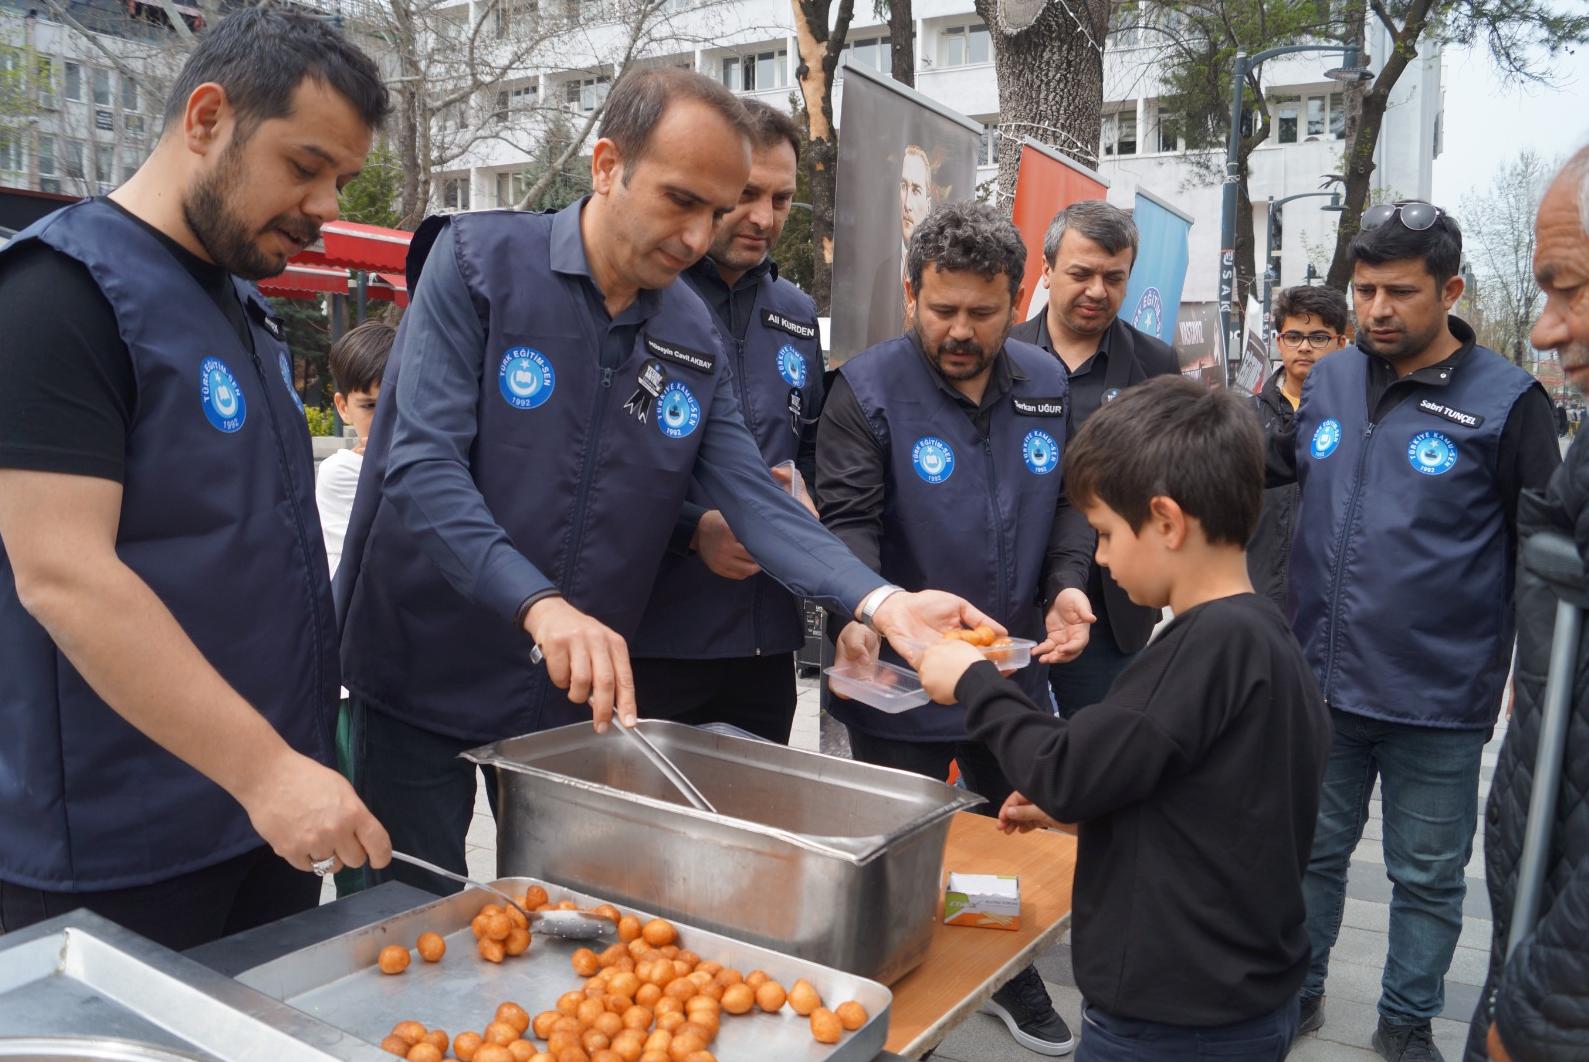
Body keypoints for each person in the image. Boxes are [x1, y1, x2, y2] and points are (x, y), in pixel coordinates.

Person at [333, 68, 995, 896]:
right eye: (680, 200)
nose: (696, 236)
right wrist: (539, 605)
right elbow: (421, 469)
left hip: (572, 699)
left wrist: (883, 604)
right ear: (607, 164)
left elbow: (755, 501)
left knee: (563, 921)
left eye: (714, 212)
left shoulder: (687, 328)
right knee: (403, 917)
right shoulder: (480, 264)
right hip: (425, 664)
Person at [0, 9, 392, 949]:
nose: (326, 206)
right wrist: (265, 770)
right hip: (116, 843)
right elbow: (63, 573)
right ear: (207, 118)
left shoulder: (241, 306)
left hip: (261, 819)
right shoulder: (59, 298)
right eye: (304, 166)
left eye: (341, 178)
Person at [913, 375, 1331, 1062]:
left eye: (1104, 533)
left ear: (1165, 521)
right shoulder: (1264, 637)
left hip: (1173, 1019)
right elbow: (1215, 808)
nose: (1100, 557)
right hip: (1243, 1000)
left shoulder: (1203, 647)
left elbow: (1065, 769)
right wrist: (1079, 816)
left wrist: (974, 683)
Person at [1270, 202, 1561, 1062]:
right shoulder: (1323, 381)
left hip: (1438, 697)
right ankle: (1300, 994)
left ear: (1451, 290)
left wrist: (1532, 670)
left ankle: (1403, 1023)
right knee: (1310, 856)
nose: (1376, 311)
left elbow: (1542, 556)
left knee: (1428, 879)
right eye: (1363, 291)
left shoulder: (1509, 402)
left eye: (1400, 291)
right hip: (1320, 684)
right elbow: (1278, 474)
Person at [819, 201, 1096, 1056]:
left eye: (982, 311)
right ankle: (902, 1007)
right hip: (902, 680)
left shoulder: (1048, 386)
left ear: (1018, 299)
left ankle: (1005, 976)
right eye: (942, 309)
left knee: (1013, 829)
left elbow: (1072, 508)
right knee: (903, 855)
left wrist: (1066, 585)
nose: (961, 330)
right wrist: (859, 615)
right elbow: (847, 521)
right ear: (911, 294)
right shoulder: (865, 390)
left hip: (1010, 671)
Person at [629, 101, 821, 743]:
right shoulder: (647, 295)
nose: (764, 218)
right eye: (746, 195)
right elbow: (601, 458)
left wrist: (810, 499)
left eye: (783, 198)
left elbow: (809, 444)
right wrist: (691, 530)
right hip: (655, 634)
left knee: (758, 834)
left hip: (765, 644)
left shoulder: (795, 310)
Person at [1466, 147, 1589, 1062]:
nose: (1546, 330)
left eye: (1570, 289)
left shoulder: (1507, 402)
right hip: (1534, 932)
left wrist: (1542, 1013)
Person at [1008, 200, 1181, 718]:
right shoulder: (1004, 354)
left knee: (1101, 759)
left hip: (1113, 606)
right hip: (1012, 594)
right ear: (1047, 269)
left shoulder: (1154, 362)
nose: (1097, 292)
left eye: (1114, 277)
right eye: (1081, 274)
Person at [1247, 285, 1347, 608]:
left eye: (1318, 337)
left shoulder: (1357, 421)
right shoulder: (1242, 416)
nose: (1304, 347)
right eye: (1294, 336)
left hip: (1329, 600)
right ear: (1279, 342)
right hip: (1255, 594)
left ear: (1341, 343)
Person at [318, 321, 394, 580]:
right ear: (343, 407)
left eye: (395, 404)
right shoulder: (339, 470)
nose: (384, 417)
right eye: (369, 405)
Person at [869, 144, 934, 343]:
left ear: (928, 204)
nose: (907, 204)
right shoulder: (883, 273)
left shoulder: (940, 272)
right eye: (904, 187)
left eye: (915, 190)